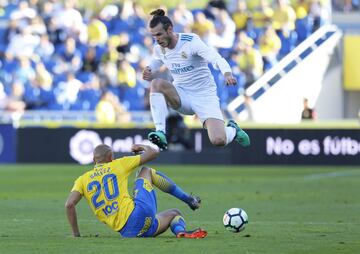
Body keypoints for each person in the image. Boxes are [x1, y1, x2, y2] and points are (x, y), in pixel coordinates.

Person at [142, 9, 250, 151]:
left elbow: (215, 57)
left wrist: (227, 73)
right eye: (154, 36)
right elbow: (157, 59)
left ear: (169, 29)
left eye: (159, 34)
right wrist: (149, 68)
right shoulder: (159, 48)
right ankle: (161, 132)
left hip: (204, 96)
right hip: (181, 95)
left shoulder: (191, 41)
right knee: (156, 84)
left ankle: (233, 130)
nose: (157, 39)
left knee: (218, 140)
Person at [65, 143, 207, 238]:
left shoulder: (82, 180)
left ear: (93, 159)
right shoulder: (117, 165)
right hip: (139, 214)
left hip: (129, 232)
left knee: (174, 214)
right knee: (145, 171)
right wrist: (142, 146)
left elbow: (69, 205)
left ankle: (181, 232)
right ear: (111, 158)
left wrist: (76, 234)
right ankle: (189, 200)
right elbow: (153, 153)